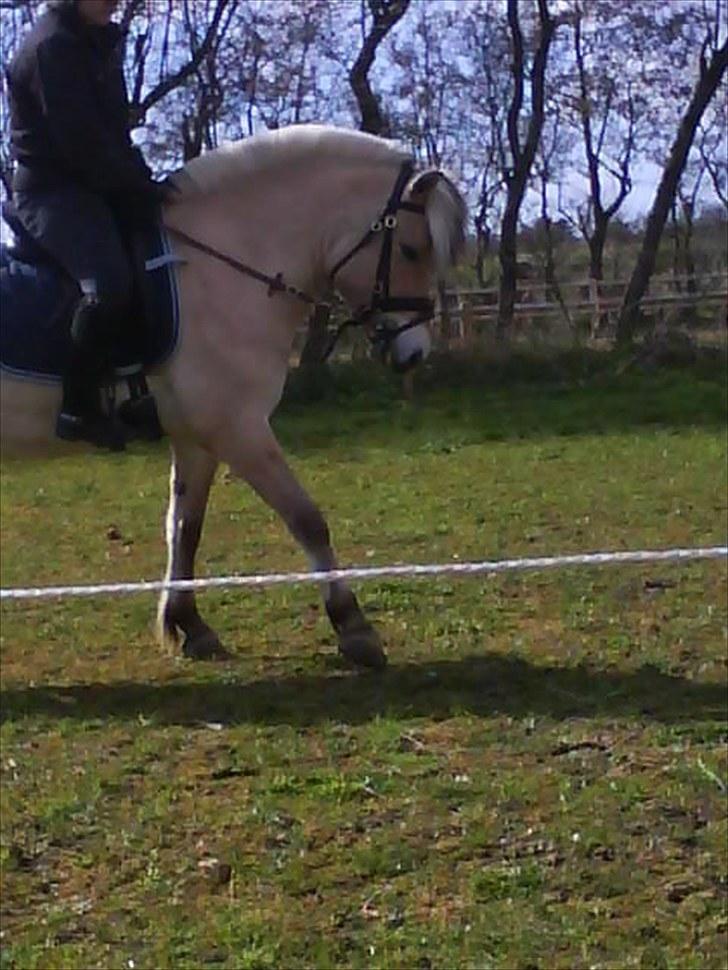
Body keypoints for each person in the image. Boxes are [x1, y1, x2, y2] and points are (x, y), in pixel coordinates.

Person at [6, 0, 176, 449]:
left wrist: (144, 182)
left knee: (155, 259)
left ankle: (135, 390)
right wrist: (134, 187)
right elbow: (79, 142)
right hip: (51, 193)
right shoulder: (52, 47)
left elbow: (113, 135)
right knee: (108, 284)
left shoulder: (97, 43)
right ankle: (76, 408)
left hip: (94, 186)